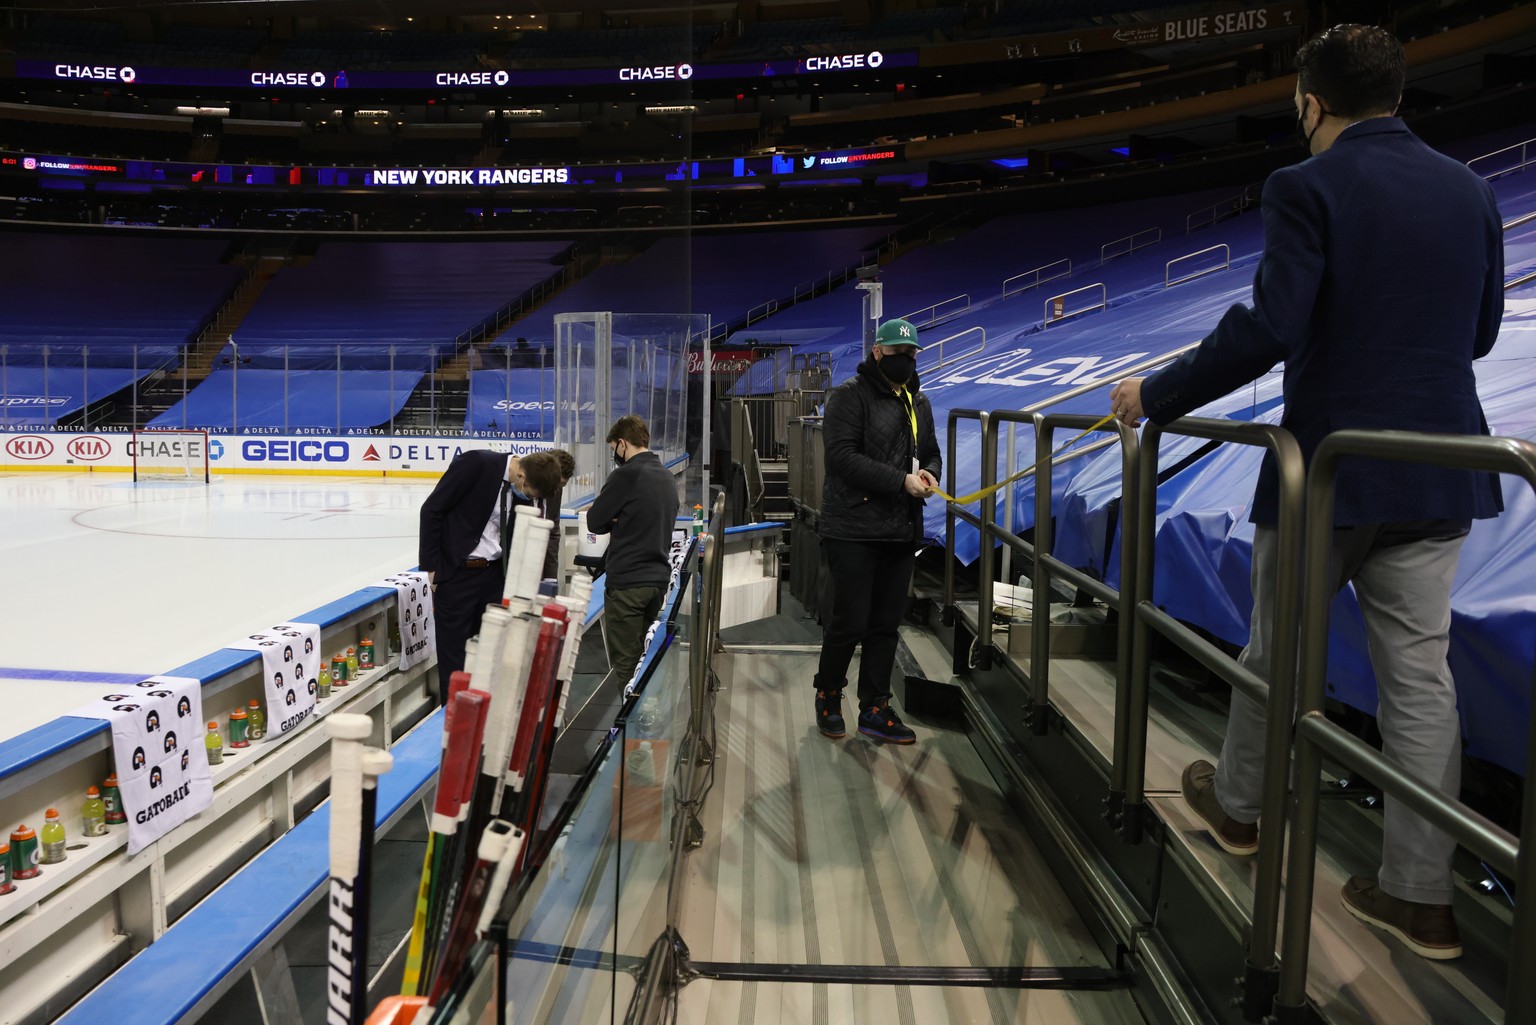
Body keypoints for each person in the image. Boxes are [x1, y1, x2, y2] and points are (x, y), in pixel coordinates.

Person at [1109, 25, 1503, 960]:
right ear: (1397, 95)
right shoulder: (1474, 189)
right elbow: (1481, 334)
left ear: (1310, 102)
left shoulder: (1304, 186)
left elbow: (1271, 325)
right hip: (1444, 465)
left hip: (1331, 467)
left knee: (1276, 647)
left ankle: (1240, 810)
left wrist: (1153, 394)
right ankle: (1420, 896)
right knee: (1421, 681)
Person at [813, 317, 941, 744]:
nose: (904, 360)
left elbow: (931, 454)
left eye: (910, 354)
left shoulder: (917, 401)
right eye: (896, 353)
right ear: (877, 353)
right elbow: (841, 459)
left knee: (886, 625)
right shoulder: (849, 398)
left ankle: (875, 707)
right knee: (849, 623)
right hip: (852, 529)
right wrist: (898, 481)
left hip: (900, 530)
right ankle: (829, 695)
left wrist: (930, 476)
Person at [419, 448, 566, 698]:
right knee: (454, 657)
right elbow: (432, 509)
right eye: (528, 492)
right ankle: (451, 723)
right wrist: (432, 570)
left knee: (489, 654)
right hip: (458, 577)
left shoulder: (521, 485)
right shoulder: (476, 463)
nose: (527, 497)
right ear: (520, 476)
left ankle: (481, 723)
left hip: (493, 578)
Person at [587, 415, 679, 684]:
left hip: (628, 583)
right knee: (647, 658)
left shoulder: (625, 476)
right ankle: (650, 717)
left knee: (626, 663)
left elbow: (595, 521)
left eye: (614, 448)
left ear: (622, 444)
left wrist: (616, 518)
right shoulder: (666, 477)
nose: (615, 455)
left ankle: (632, 723)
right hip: (657, 581)